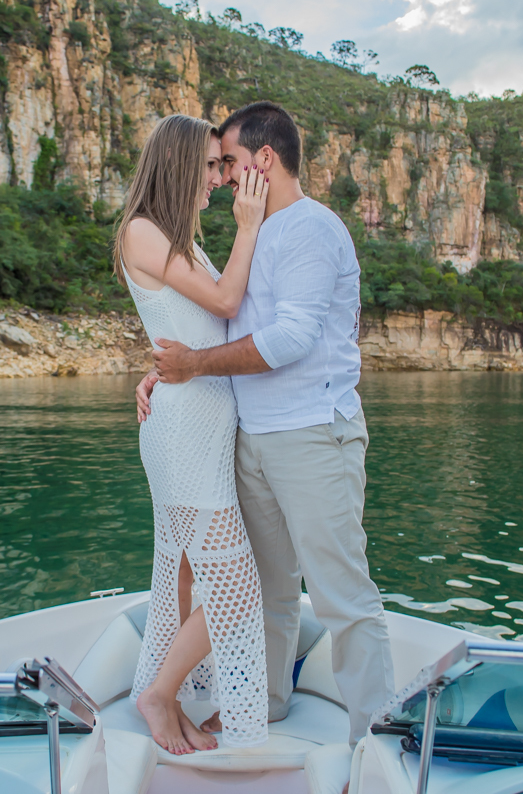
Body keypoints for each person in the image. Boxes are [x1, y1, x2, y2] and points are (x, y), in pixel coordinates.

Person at [136, 101, 395, 748]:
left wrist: (194, 364)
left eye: (228, 162)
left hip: (312, 434)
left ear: (265, 160)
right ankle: (268, 702)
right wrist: (162, 369)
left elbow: (290, 339)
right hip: (248, 438)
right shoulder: (254, 231)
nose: (220, 177)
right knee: (270, 589)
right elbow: (221, 318)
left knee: (342, 597)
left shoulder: (311, 229)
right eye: (213, 165)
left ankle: (380, 740)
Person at [115, 114, 271, 753]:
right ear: (179, 164)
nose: (219, 177)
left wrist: (153, 367)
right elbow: (225, 303)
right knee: (235, 586)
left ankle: (167, 700)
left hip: (196, 421)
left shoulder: (173, 236)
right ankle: (156, 693)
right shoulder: (143, 231)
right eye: (210, 166)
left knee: (180, 578)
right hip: (183, 433)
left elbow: (192, 326)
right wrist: (250, 224)